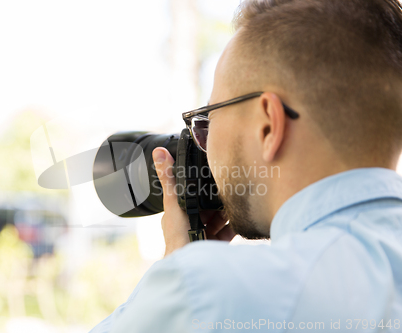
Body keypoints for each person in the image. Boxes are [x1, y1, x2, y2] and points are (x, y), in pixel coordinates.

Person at [91, 0, 402, 332]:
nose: (203, 147)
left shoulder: (211, 290)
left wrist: (179, 270)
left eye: (209, 119)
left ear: (268, 125)